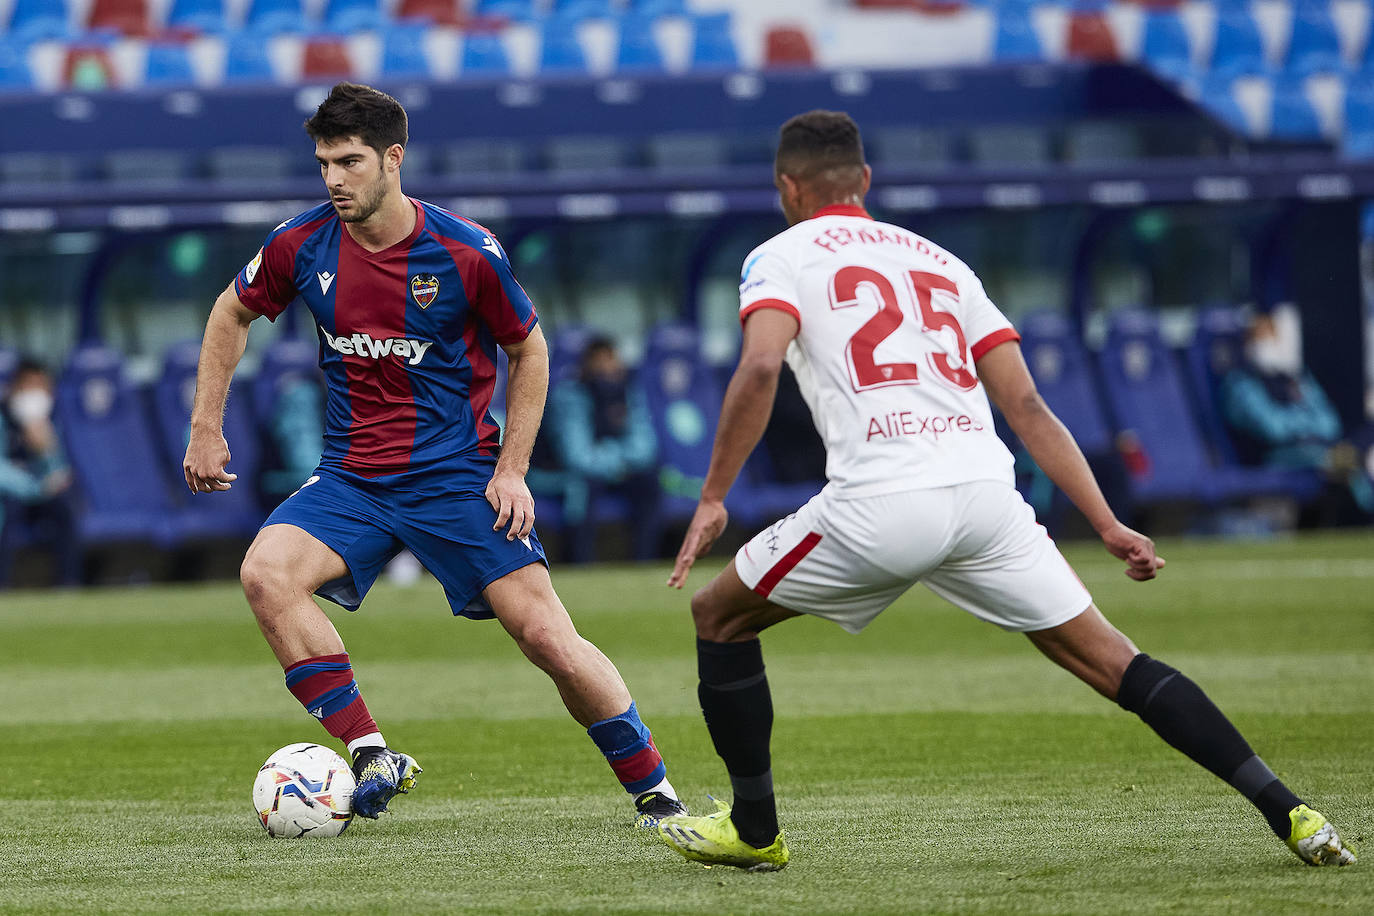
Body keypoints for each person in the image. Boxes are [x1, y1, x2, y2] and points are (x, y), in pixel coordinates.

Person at [656, 110, 1355, 871]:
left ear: (787, 187)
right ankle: (1293, 813)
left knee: (718, 616)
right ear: (865, 181)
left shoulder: (778, 255)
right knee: (1115, 661)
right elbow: (1027, 409)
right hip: (988, 497)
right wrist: (1108, 522)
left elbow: (760, 368)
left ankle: (756, 831)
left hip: (885, 496)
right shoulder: (944, 262)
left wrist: (715, 494)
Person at [182, 82, 685, 829]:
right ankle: (370, 752)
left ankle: (656, 793)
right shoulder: (301, 243)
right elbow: (232, 309)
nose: (334, 180)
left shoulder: (463, 251)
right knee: (265, 573)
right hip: (351, 477)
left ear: (394, 157)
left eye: (349, 162)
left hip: (455, 479)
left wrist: (511, 468)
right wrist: (205, 426)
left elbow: (530, 350)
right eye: (323, 162)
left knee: (547, 637)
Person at [1222, 308, 1373, 525]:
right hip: (1278, 456)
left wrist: (1301, 418)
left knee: (1359, 447)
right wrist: (1305, 423)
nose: (1262, 346)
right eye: (1256, 339)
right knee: (1341, 462)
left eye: (1268, 338)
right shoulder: (1240, 384)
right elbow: (1273, 429)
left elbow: (1329, 424)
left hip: (1320, 449)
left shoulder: (1296, 378)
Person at [547, 336, 661, 562]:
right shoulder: (570, 393)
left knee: (649, 482)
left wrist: (616, 458)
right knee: (581, 486)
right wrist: (616, 461)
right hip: (559, 473)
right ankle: (581, 564)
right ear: (587, 365)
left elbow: (646, 445)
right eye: (600, 362)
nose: (608, 368)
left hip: (615, 467)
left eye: (611, 360)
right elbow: (576, 455)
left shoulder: (628, 389)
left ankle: (645, 561)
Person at [0, 357, 79, 587]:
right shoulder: (4, 416)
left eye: (42, 387)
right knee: (7, 514)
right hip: (13, 494)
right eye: (30, 386)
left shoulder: (51, 419)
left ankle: (68, 584)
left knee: (64, 509)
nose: (36, 394)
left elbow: (60, 470)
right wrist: (35, 488)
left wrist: (46, 450)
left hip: (42, 492)